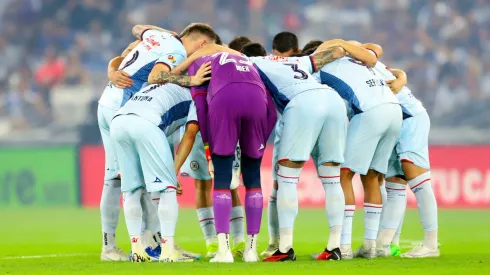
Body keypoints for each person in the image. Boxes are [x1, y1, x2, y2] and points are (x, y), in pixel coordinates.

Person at [241, 42, 347, 262]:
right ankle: (335, 247)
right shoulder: (296, 60)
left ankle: (285, 248)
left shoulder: (249, 63)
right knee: (332, 179)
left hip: (303, 103)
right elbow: (335, 52)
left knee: (287, 180)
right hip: (334, 101)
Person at [311, 39, 402, 259]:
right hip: (394, 111)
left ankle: (343, 246)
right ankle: (370, 245)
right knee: (372, 177)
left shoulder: (322, 68)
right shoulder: (364, 64)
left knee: (344, 174)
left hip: (370, 112)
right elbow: (378, 52)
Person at [110, 74, 209, 262]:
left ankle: (137, 249)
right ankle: (168, 250)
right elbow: (189, 135)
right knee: (168, 189)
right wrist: (173, 173)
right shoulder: (198, 97)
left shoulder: (162, 85)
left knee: (131, 189)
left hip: (119, 121)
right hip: (146, 123)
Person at [363, 44, 439, 258]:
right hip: (393, 122)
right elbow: (394, 70)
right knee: (395, 183)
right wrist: (401, 75)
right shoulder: (369, 68)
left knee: (418, 179)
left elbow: (388, 65)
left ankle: (431, 245)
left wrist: (401, 76)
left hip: (410, 118)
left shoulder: (364, 68)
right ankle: (384, 244)